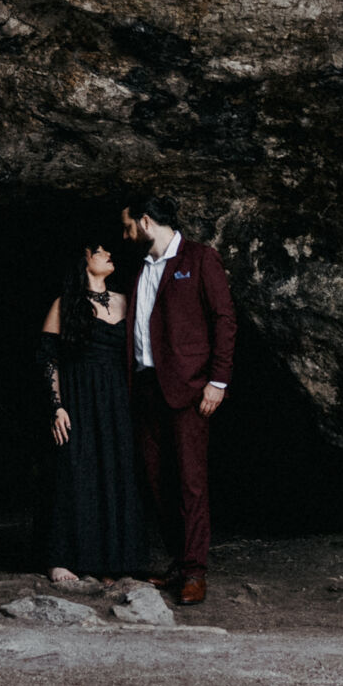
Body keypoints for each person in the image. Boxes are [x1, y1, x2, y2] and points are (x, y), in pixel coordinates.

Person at [121, 194, 236, 605]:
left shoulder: (200, 258)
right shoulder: (141, 267)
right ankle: (178, 561)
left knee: (190, 481)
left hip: (189, 388)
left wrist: (217, 381)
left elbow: (224, 319)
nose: (125, 235)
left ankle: (194, 571)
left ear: (145, 221)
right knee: (157, 480)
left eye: (127, 226)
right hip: (146, 387)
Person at [37, 242, 151, 584]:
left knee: (117, 473)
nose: (108, 254)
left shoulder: (126, 300)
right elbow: (48, 358)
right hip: (79, 397)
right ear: (84, 260)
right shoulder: (64, 304)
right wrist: (57, 407)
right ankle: (62, 559)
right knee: (76, 472)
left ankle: (112, 564)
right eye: (99, 252)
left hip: (117, 399)